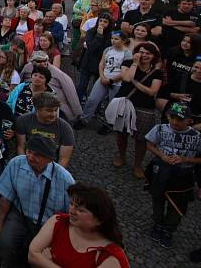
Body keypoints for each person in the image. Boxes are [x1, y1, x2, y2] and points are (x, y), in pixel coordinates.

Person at [0, 136, 75, 268]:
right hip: (20, 215)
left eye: (37, 155)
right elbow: (6, 197)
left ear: (50, 159)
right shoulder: (16, 163)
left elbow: (70, 217)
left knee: (40, 259)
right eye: (29, 152)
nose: (30, 157)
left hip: (49, 224)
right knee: (5, 243)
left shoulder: (65, 180)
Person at [28, 183, 129, 268]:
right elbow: (32, 255)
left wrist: (48, 263)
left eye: (81, 210)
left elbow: (37, 256)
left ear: (100, 220)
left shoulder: (110, 256)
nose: (72, 211)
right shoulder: (58, 222)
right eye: (71, 204)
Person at [144, 101, 201, 249]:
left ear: (190, 120)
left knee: (177, 206)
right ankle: (157, 224)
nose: (174, 122)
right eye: (172, 117)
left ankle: (169, 230)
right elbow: (150, 145)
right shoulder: (161, 129)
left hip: (183, 176)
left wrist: (185, 159)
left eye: (180, 119)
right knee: (157, 200)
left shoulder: (196, 136)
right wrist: (161, 155)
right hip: (161, 172)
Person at [111, 42, 163, 179]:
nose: (144, 55)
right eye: (142, 52)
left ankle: (137, 164)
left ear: (154, 56)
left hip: (144, 108)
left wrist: (134, 82)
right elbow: (126, 77)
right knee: (121, 134)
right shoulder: (128, 63)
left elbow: (152, 92)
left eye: (148, 53)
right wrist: (134, 64)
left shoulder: (157, 73)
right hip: (125, 103)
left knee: (141, 139)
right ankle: (121, 156)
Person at [16, 93, 75, 168]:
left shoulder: (65, 128)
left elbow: (64, 159)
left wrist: (54, 174)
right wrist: (24, 166)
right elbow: (21, 147)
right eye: (49, 111)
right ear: (37, 109)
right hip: (28, 161)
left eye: (55, 110)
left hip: (50, 165)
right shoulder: (23, 120)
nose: (53, 114)